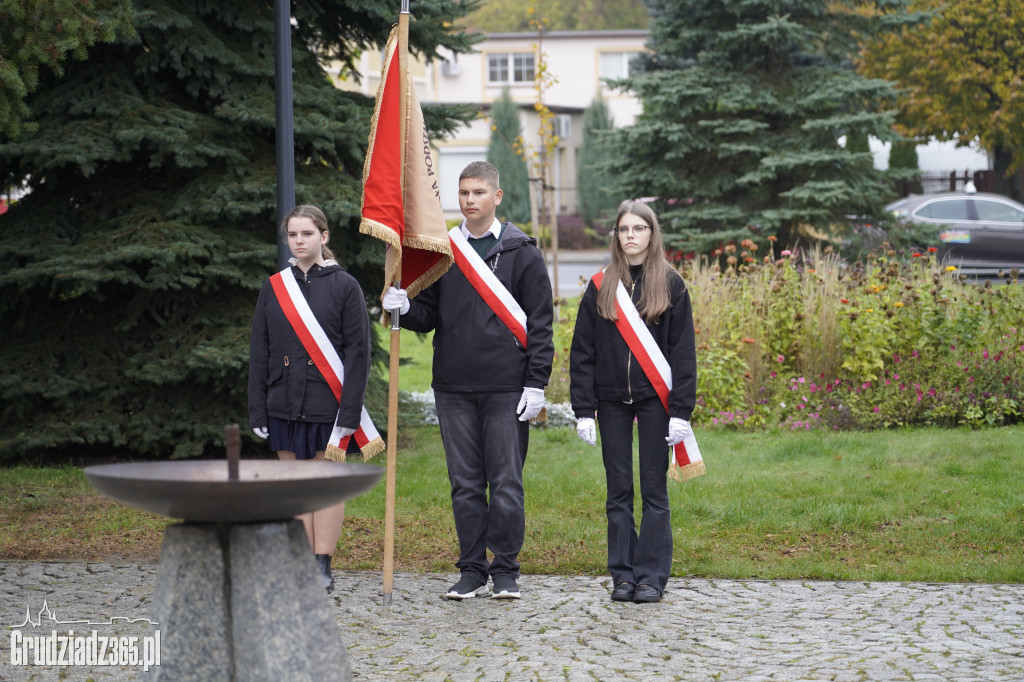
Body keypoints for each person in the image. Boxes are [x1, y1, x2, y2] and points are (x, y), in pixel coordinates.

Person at [383, 161, 554, 600]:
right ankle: (472, 569)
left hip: (506, 387)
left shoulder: (523, 253)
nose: (469, 200)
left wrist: (536, 384)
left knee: (506, 482)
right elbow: (429, 316)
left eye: (478, 192)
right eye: (463, 193)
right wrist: (402, 305)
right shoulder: (446, 252)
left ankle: (507, 569)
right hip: (453, 388)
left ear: (496, 197)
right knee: (463, 483)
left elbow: (541, 323)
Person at [569, 201, 696, 604]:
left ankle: (652, 577)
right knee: (618, 490)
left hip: (655, 401)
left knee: (654, 491)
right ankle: (622, 575)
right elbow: (582, 351)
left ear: (651, 234)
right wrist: (582, 410)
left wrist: (681, 410)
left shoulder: (672, 284)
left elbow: (683, 353)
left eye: (638, 229)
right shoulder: (601, 285)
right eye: (623, 229)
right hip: (610, 401)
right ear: (616, 236)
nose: (630, 236)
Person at [248, 204, 372, 594]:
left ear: (324, 236)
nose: (299, 241)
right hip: (283, 399)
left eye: (307, 234)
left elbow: (358, 352)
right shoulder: (274, 286)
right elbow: (259, 349)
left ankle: (322, 562)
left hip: (328, 402)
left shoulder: (345, 286)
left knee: (326, 483)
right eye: (293, 235)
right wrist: (258, 407)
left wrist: (350, 411)